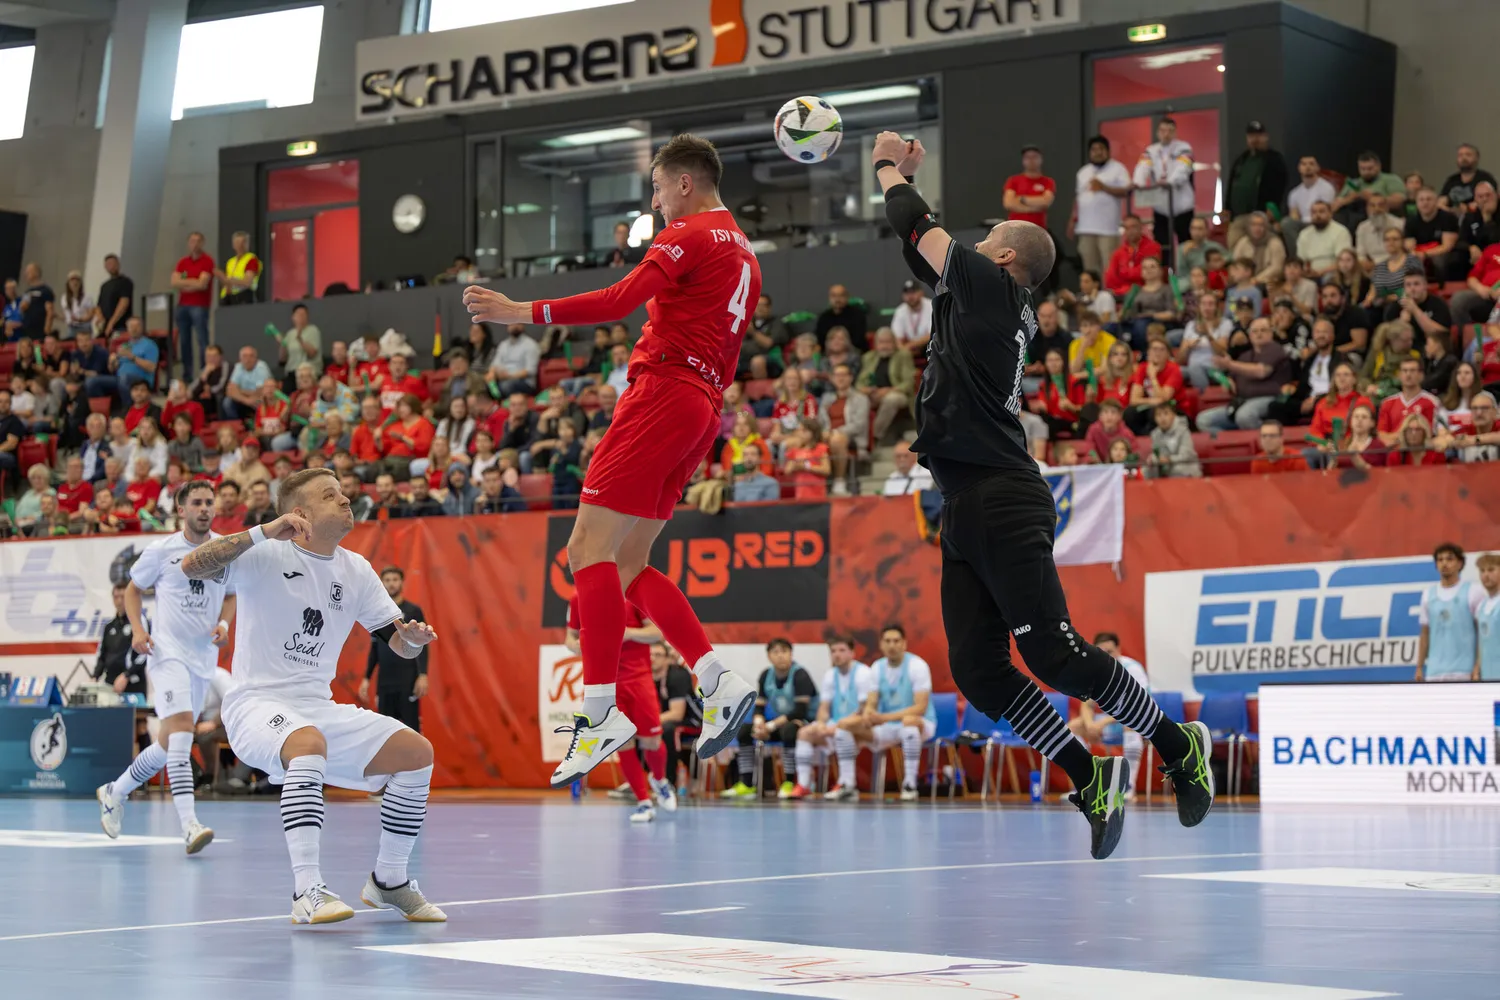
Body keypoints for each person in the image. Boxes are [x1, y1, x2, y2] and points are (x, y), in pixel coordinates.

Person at [873, 130, 1211, 856]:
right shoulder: (979, 300)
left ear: (1000, 259)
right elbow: (915, 244)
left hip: (1000, 495)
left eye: (987, 235)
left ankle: (1176, 743)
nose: (975, 242)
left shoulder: (995, 287)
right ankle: (1088, 775)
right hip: (964, 502)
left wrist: (883, 165)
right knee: (980, 672)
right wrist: (904, 178)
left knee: (1055, 657)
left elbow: (915, 226)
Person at [464, 133, 764, 788]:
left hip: (663, 393)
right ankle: (716, 677)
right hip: (702, 408)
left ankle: (599, 713)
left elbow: (619, 300)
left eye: (657, 188)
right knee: (629, 567)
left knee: (585, 553)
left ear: (683, 183)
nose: (654, 201)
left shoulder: (691, 234)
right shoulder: (745, 251)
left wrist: (523, 312)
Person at [180, 468, 443, 924]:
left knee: (416, 754)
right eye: (330, 495)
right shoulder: (264, 553)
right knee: (307, 743)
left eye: (343, 493)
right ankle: (306, 890)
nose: (344, 501)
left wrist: (413, 641)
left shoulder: (356, 569)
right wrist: (263, 531)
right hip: (255, 704)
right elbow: (193, 565)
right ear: (299, 513)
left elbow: (395, 642)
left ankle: (390, 881)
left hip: (316, 709)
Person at [96, 482, 235, 854]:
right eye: (197, 503)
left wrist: (223, 625)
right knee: (181, 730)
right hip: (167, 652)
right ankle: (189, 825)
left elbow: (232, 595)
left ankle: (116, 791)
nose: (205, 508)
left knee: (167, 741)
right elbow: (131, 590)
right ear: (180, 509)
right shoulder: (161, 551)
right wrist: (139, 630)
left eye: (209, 502)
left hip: (203, 658)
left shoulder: (224, 549)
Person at [562, 594, 673, 822]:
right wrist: (580, 646)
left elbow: (656, 633)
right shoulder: (578, 600)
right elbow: (569, 638)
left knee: (651, 741)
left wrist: (627, 633)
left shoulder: (632, 596)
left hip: (638, 679)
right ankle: (643, 802)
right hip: (603, 684)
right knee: (622, 742)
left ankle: (659, 780)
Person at [723, 638, 817, 800]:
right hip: (776, 724)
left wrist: (771, 726)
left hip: (806, 721)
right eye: (776, 652)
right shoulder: (766, 675)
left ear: (791, 654)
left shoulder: (800, 675)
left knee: (790, 730)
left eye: (784, 651)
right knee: (745, 731)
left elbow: (800, 711)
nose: (780, 656)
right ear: (769, 656)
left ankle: (789, 782)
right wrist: (759, 723)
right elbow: (759, 705)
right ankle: (746, 784)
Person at [787, 635, 873, 800]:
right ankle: (804, 785)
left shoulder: (863, 673)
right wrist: (820, 723)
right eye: (833, 651)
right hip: (837, 724)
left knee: (842, 729)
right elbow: (824, 707)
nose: (837, 655)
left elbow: (864, 709)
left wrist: (838, 725)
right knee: (805, 733)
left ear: (852, 653)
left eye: (842, 650)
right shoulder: (830, 675)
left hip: (860, 724)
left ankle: (847, 784)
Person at [358, 566, 430, 733]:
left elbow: (422, 645)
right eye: (387, 580)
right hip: (385, 682)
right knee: (384, 731)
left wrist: (423, 674)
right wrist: (367, 678)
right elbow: (375, 646)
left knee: (411, 730)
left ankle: (413, 760)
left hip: (407, 680)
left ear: (402, 583)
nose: (391, 584)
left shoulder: (413, 611)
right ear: (382, 583)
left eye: (395, 580)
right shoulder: (379, 613)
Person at [1415, 542, 1480, 683]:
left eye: (1450, 559)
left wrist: (1477, 666)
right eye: (1440, 560)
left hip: (1463, 672)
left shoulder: (1473, 591)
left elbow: (1481, 633)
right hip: (1435, 672)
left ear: (1460, 563)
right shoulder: (1428, 594)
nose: (1444, 563)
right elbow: (1425, 634)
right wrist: (1419, 667)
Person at [1070, 135, 1132, 276]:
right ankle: (1093, 297)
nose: (1097, 152)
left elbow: (1127, 192)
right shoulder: (1083, 172)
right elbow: (1078, 198)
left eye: (1101, 149)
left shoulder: (1118, 169)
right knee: (1090, 270)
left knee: (1110, 269)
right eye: (1094, 149)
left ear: (1108, 151)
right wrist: (1073, 219)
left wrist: (1104, 187)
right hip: (1085, 228)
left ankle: (1111, 297)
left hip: (1108, 229)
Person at [1133, 117, 1195, 253]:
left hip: (1183, 207)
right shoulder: (1151, 150)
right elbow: (1142, 167)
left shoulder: (1184, 148)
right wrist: (1138, 183)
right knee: (1162, 247)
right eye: (1163, 130)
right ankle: (1167, 274)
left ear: (1175, 133)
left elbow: (1183, 168)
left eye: (1170, 131)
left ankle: (1185, 274)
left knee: (1186, 246)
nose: (1166, 134)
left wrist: (1170, 182)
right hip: (1161, 207)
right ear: (1157, 132)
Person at [1223, 121, 1288, 251]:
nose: (1255, 139)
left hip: (1261, 215)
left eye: (1259, 135)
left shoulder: (1274, 159)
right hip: (1239, 216)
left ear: (1266, 137)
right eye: (1251, 136)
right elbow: (1231, 184)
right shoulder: (1241, 160)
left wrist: (1273, 208)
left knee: (1260, 250)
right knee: (1234, 248)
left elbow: (1280, 186)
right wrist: (1227, 207)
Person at [172, 233, 215, 379]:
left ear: (203, 243)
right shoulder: (183, 262)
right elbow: (174, 283)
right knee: (184, 341)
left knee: (202, 340)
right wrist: (193, 283)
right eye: (192, 241)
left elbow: (202, 284)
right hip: (182, 306)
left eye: (198, 241)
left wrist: (185, 285)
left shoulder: (207, 261)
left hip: (200, 306)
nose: (194, 244)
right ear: (188, 243)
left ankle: (205, 372)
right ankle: (187, 374)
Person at [92, 584, 147, 695]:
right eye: (116, 597)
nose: (120, 601)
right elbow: (102, 655)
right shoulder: (109, 626)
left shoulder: (138, 622)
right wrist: (95, 676)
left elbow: (144, 653)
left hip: (133, 684)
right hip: (111, 684)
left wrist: (126, 675)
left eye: (123, 596)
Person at [1102, 214, 1162, 299]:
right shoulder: (1118, 253)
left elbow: (1149, 273)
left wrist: (1124, 272)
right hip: (1122, 294)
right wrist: (1124, 288)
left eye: (1133, 227)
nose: (1130, 231)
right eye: (1126, 228)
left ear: (1141, 227)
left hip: (1148, 292)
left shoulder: (1153, 247)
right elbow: (1110, 279)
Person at [1003, 145, 1056, 229]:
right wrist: (1035, 207)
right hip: (1015, 228)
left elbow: (1046, 201)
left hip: (1038, 228)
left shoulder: (1048, 181)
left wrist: (1021, 199)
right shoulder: (1013, 180)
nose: (1031, 160)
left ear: (1041, 159)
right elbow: (1008, 203)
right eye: (1027, 157)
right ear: (1023, 160)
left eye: (1034, 157)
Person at [1297, 202, 1353, 277]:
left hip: (1333, 272)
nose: (1317, 215)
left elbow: (1343, 261)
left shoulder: (1341, 231)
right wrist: (1307, 271)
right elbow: (1302, 260)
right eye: (1314, 212)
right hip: (1310, 274)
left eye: (1321, 211)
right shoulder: (1304, 234)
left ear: (1330, 214)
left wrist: (1321, 272)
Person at [1438, 144, 1497, 214]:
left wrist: (1468, 209)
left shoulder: (1485, 178)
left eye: (1468, 155)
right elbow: (1440, 203)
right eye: (1460, 155)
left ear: (1477, 158)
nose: (1464, 158)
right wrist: (1452, 211)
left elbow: (1491, 202)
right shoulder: (1451, 180)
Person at [217, 230, 262, 306]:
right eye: (238, 242)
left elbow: (247, 282)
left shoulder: (251, 259)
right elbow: (227, 283)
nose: (240, 245)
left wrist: (229, 280)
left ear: (248, 244)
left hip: (244, 297)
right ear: (233, 245)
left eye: (243, 242)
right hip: (228, 297)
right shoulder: (230, 262)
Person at [890, 279, 933, 355]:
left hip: (928, 346)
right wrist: (903, 350)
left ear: (921, 293)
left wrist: (910, 346)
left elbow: (932, 334)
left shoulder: (931, 306)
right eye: (907, 293)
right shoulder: (900, 310)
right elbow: (896, 337)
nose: (910, 296)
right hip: (908, 349)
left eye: (913, 292)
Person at [95, 253, 134, 334]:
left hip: (121, 326)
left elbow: (123, 303)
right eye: (108, 264)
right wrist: (100, 318)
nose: (111, 266)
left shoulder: (125, 282)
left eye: (113, 263)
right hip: (105, 328)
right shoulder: (104, 286)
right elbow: (98, 305)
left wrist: (111, 323)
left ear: (118, 264)